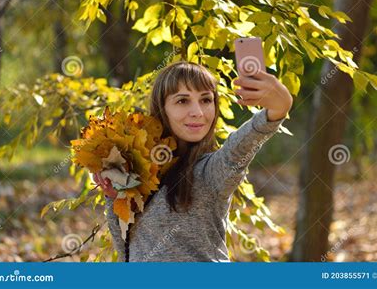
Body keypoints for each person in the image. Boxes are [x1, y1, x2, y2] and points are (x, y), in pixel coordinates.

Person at [93, 61, 293, 262]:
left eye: (206, 100)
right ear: (162, 109)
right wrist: (114, 196)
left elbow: (239, 147)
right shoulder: (141, 170)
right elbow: (127, 252)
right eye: (182, 101)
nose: (197, 112)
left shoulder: (212, 171)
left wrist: (278, 109)